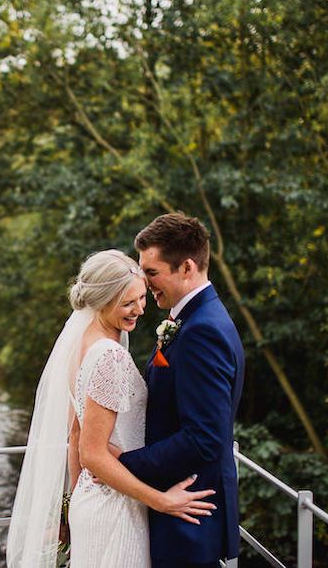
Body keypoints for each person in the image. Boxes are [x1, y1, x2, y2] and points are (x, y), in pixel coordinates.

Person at [6, 249, 216, 568]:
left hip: (93, 500)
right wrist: (162, 502)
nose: (140, 310)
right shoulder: (109, 357)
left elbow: (77, 436)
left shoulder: (82, 345)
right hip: (117, 506)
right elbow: (92, 453)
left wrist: (76, 501)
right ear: (103, 300)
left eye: (142, 298)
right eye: (128, 303)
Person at [118, 213, 245, 568]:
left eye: (152, 273)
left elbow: (204, 437)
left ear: (186, 268)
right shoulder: (195, 319)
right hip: (179, 504)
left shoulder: (202, 331)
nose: (144, 283)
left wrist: (122, 466)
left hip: (188, 511)